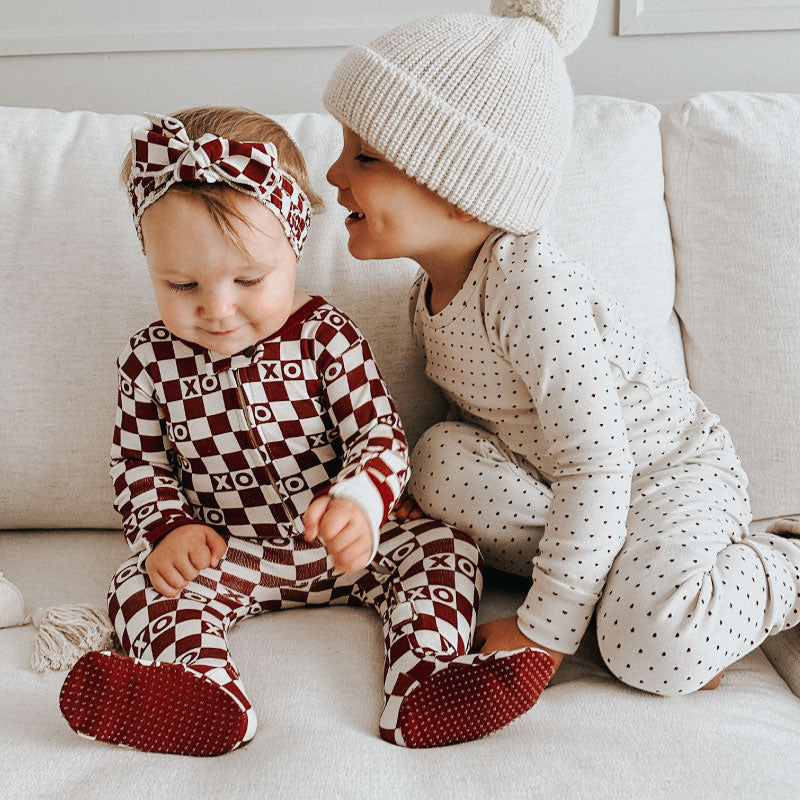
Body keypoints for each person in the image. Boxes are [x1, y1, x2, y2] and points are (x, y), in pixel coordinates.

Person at [324, 0, 800, 696]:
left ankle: (785, 562)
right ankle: (622, 582)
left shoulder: (528, 285)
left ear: (461, 187)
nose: (336, 175)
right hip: (564, 483)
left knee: (653, 650)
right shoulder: (427, 295)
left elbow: (600, 464)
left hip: (665, 473)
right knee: (436, 459)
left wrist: (544, 627)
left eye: (363, 157)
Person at [58, 106, 554, 757]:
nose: (217, 307)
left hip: (346, 543)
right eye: (181, 284)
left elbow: (377, 433)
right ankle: (198, 692)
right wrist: (168, 532)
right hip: (227, 550)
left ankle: (426, 680)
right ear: (150, 260)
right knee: (138, 585)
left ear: (292, 246)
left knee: (444, 549)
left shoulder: (326, 335)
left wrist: (361, 504)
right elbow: (138, 467)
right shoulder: (150, 362)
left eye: (248, 279)